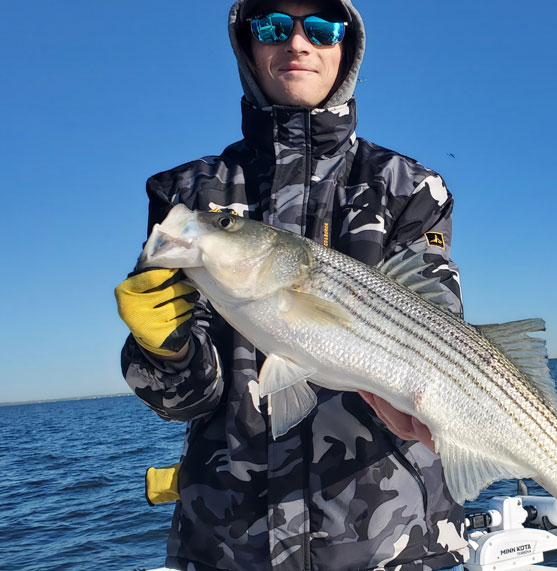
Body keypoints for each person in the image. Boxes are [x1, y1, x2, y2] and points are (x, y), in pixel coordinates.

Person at [115, 1, 468, 569]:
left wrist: (435, 410)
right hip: (229, 545)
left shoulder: (408, 187)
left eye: (323, 27)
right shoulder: (189, 193)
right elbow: (182, 402)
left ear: (346, 48)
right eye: (274, 26)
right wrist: (164, 348)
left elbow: (437, 328)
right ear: (247, 47)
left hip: (393, 543)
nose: (298, 43)